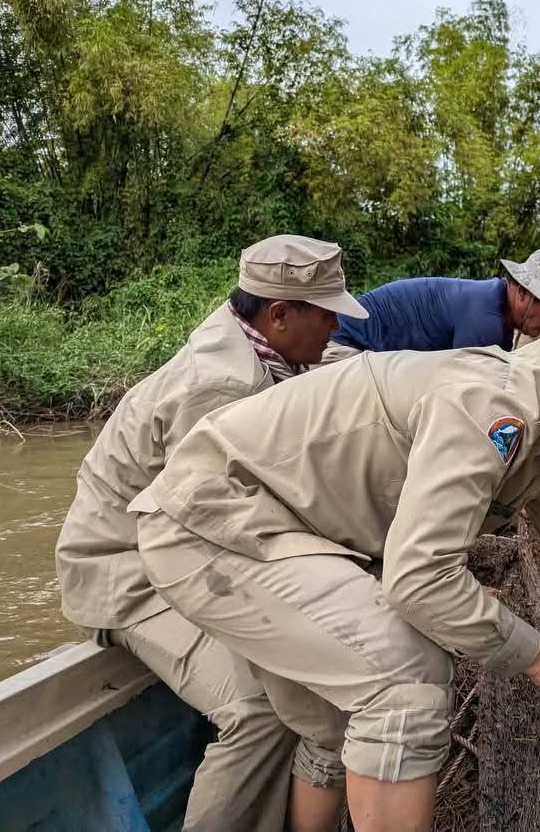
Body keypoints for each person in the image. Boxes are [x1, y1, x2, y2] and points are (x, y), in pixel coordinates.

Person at [130, 304, 540, 832]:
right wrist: (539, 655)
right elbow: (419, 580)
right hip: (210, 526)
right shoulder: (491, 410)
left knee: (333, 725)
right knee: (408, 679)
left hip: (277, 533)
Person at [54, 235, 369, 831]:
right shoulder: (220, 387)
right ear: (280, 314)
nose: (335, 327)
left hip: (168, 549)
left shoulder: (263, 348)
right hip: (126, 569)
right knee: (261, 709)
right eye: (327, 314)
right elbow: (211, 533)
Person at [323, 249, 540, 361]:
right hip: (344, 350)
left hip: (363, 352)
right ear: (523, 292)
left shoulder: (494, 305)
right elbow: (467, 393)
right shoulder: (485, 318)